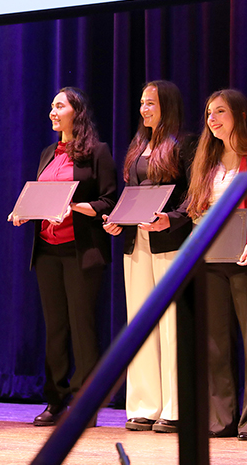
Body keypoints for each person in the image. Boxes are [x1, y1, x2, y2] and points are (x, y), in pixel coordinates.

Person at [158, 89, 247, 440]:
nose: (212, 119)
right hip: (211, 258)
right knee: (215, 343)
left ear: (240, 116)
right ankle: (221, 419)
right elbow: (194, 209)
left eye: (220, 112)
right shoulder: (207, 161)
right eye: (208, 114)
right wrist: (167, 221)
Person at [10, 86, 117, 426]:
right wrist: (26, 212)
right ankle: (55, 401)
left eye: (60, 106)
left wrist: (73, 208)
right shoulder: (48, 153)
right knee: (55, 328)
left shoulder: (97, 152)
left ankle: (85, 403)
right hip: (47, 252)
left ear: (77, 112)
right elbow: (43, 197)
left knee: (82, 327)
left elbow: (109, 201)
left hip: (80, 250)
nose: (53, 112)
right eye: (51, 106)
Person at [102, 81, 193, 433]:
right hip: (136, 241)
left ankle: (174, 405)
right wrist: (117, 220)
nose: (144, 109)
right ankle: (143, 404)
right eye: (141, 103)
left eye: (151, 103)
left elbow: (191, 196)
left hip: (168, 240)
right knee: (141, 322)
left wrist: (172, 220)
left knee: (170, 323)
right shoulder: (139, 144)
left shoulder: (185, 143)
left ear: (167, 105)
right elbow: (132, 193)